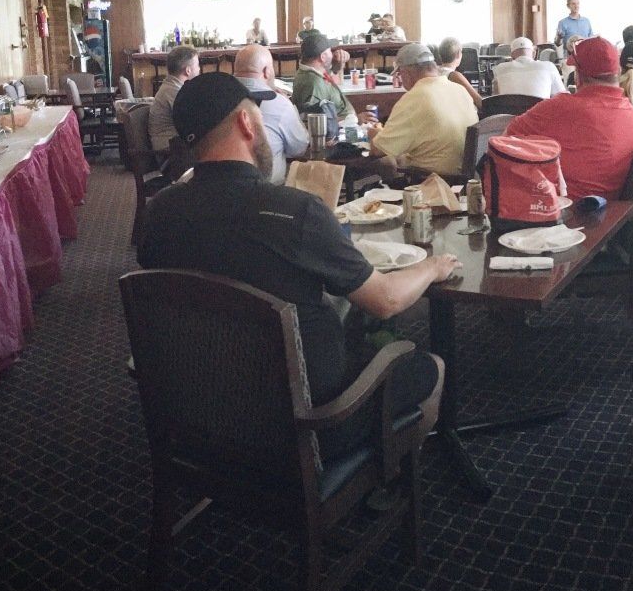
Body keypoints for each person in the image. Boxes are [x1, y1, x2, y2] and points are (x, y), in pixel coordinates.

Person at [138, 72, 459, 464]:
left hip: (200, 410)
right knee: (430, 368)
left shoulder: (157, 213)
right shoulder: (296, 212)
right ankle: (381, 477)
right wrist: (432, 266)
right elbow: (386, 300)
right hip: (307, 423)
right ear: (245, 123)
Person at [506, 36, 633, 200]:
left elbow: (508, 138)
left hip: (559, 211)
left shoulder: (559, 107)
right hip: (609, 214)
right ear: (618, 73)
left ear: (579, 75)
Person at [367, 42, 478, 176]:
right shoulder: (460, 90)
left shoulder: (414, 98)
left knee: (384, 163)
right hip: (468, 177)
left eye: (400, 75)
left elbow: (379, 150)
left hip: (432, 180)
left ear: (406, 73)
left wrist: (374, 132)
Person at [233, 44, 308, 184]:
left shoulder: (219, 97)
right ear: (267, 71)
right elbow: (299, 147)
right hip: (268, 193)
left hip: (219, 189)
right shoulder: (279, 103)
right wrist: (290, 106)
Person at [290, 30, 356, 127]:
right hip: (340, 133)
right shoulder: (313, 83)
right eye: (330, 51)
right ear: (323, 57)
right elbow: (314, 123)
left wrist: (338, 64)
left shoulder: (312, 72)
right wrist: (355, 119)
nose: (333, 54)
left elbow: (331, 76)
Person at [148, 44, 199, 154]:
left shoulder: (173, 86)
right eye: (197, 65)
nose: (199, 69)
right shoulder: (173, 91)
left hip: (176, 144)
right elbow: (193, 119)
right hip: (170, 153)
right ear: (188, 70)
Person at [490, 37, 564, 99]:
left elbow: (496, 98)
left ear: (512, 55)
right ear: (534, 53)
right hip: (540, 114)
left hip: (508, 115)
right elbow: (561, 96)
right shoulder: (549, 66)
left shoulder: (500, 69)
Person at [433, 37, 485, 109]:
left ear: (440, 54)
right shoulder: (454, 76)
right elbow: (480, 102)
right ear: (458, 54)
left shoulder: (433, 72)